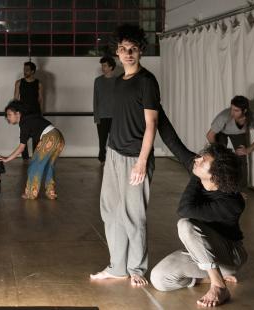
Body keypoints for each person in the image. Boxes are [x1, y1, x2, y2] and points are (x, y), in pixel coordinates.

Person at [150, 108, 247, 307]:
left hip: (229, 255)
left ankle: (219, 286)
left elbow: (185, 209)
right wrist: (155, 106)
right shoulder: (201, 171)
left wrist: (195, 175)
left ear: (216, 175)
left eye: (203, 161)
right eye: (200, 157)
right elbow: (172, 141)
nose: (197, 160)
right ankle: (208, 278)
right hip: (203, 253)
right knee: (159, 279)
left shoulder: (231, 202)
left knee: (185, 225)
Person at [90, 24, 160, 286]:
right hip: (114, 154)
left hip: (135, 157)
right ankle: (117, 266)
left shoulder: (147, 81)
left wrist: (142, 162)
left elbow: (151, 124)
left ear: (140, 51)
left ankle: (137, 269)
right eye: (123, 49)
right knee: (110, 211)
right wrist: (109, 152)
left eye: (133, 49)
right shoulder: (119, 82)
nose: (128, 53)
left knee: (133, 214)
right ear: (117, 53)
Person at [0, 100, 64, 200]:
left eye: (9, 114)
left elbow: (21, 148)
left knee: (35, 165)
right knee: (49, 165)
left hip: (50, 138)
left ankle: (31, 194)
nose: (8, 117)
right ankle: (51, 192)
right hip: (59, 137)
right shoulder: (29, 118)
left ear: (18, 113)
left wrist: (7, 159)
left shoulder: (24, 123)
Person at [206, 95, 254, 189]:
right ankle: (218, 184)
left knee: (241, 156)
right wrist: (217, 150)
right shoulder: (223, 116)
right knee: (220, 157)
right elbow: (210, 135)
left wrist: (248, 150)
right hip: (221, 132)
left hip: (238, 133)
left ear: (245, 111)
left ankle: (241, 190)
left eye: (236, 110)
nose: (232, 113)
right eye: (232, 109)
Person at [14, 61, 44, 160]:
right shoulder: (19, 83)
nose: (24, 72)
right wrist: (16, 113)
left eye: (27, 70)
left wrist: (41, 114)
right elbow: (15, 99)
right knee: (24, 136)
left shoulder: (38, 83)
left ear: (32, 71)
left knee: (36, 136)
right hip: (23, 113)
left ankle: (35, 157)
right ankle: (25, 158)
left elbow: (40, 99)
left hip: (35, 113)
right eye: (24, 70)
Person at [93, 56, 116, 164]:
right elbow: (95, 99)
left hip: (115, 116)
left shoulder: (118, 81)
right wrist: (96, 117)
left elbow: (121, 100)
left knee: (114, 140)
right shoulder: (98, 81)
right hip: (102, 116)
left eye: (105, 65)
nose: (103, 67)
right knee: (102, 141)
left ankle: (114, 159)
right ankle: (102, 159)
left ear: (111, 67)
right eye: (102, 65)